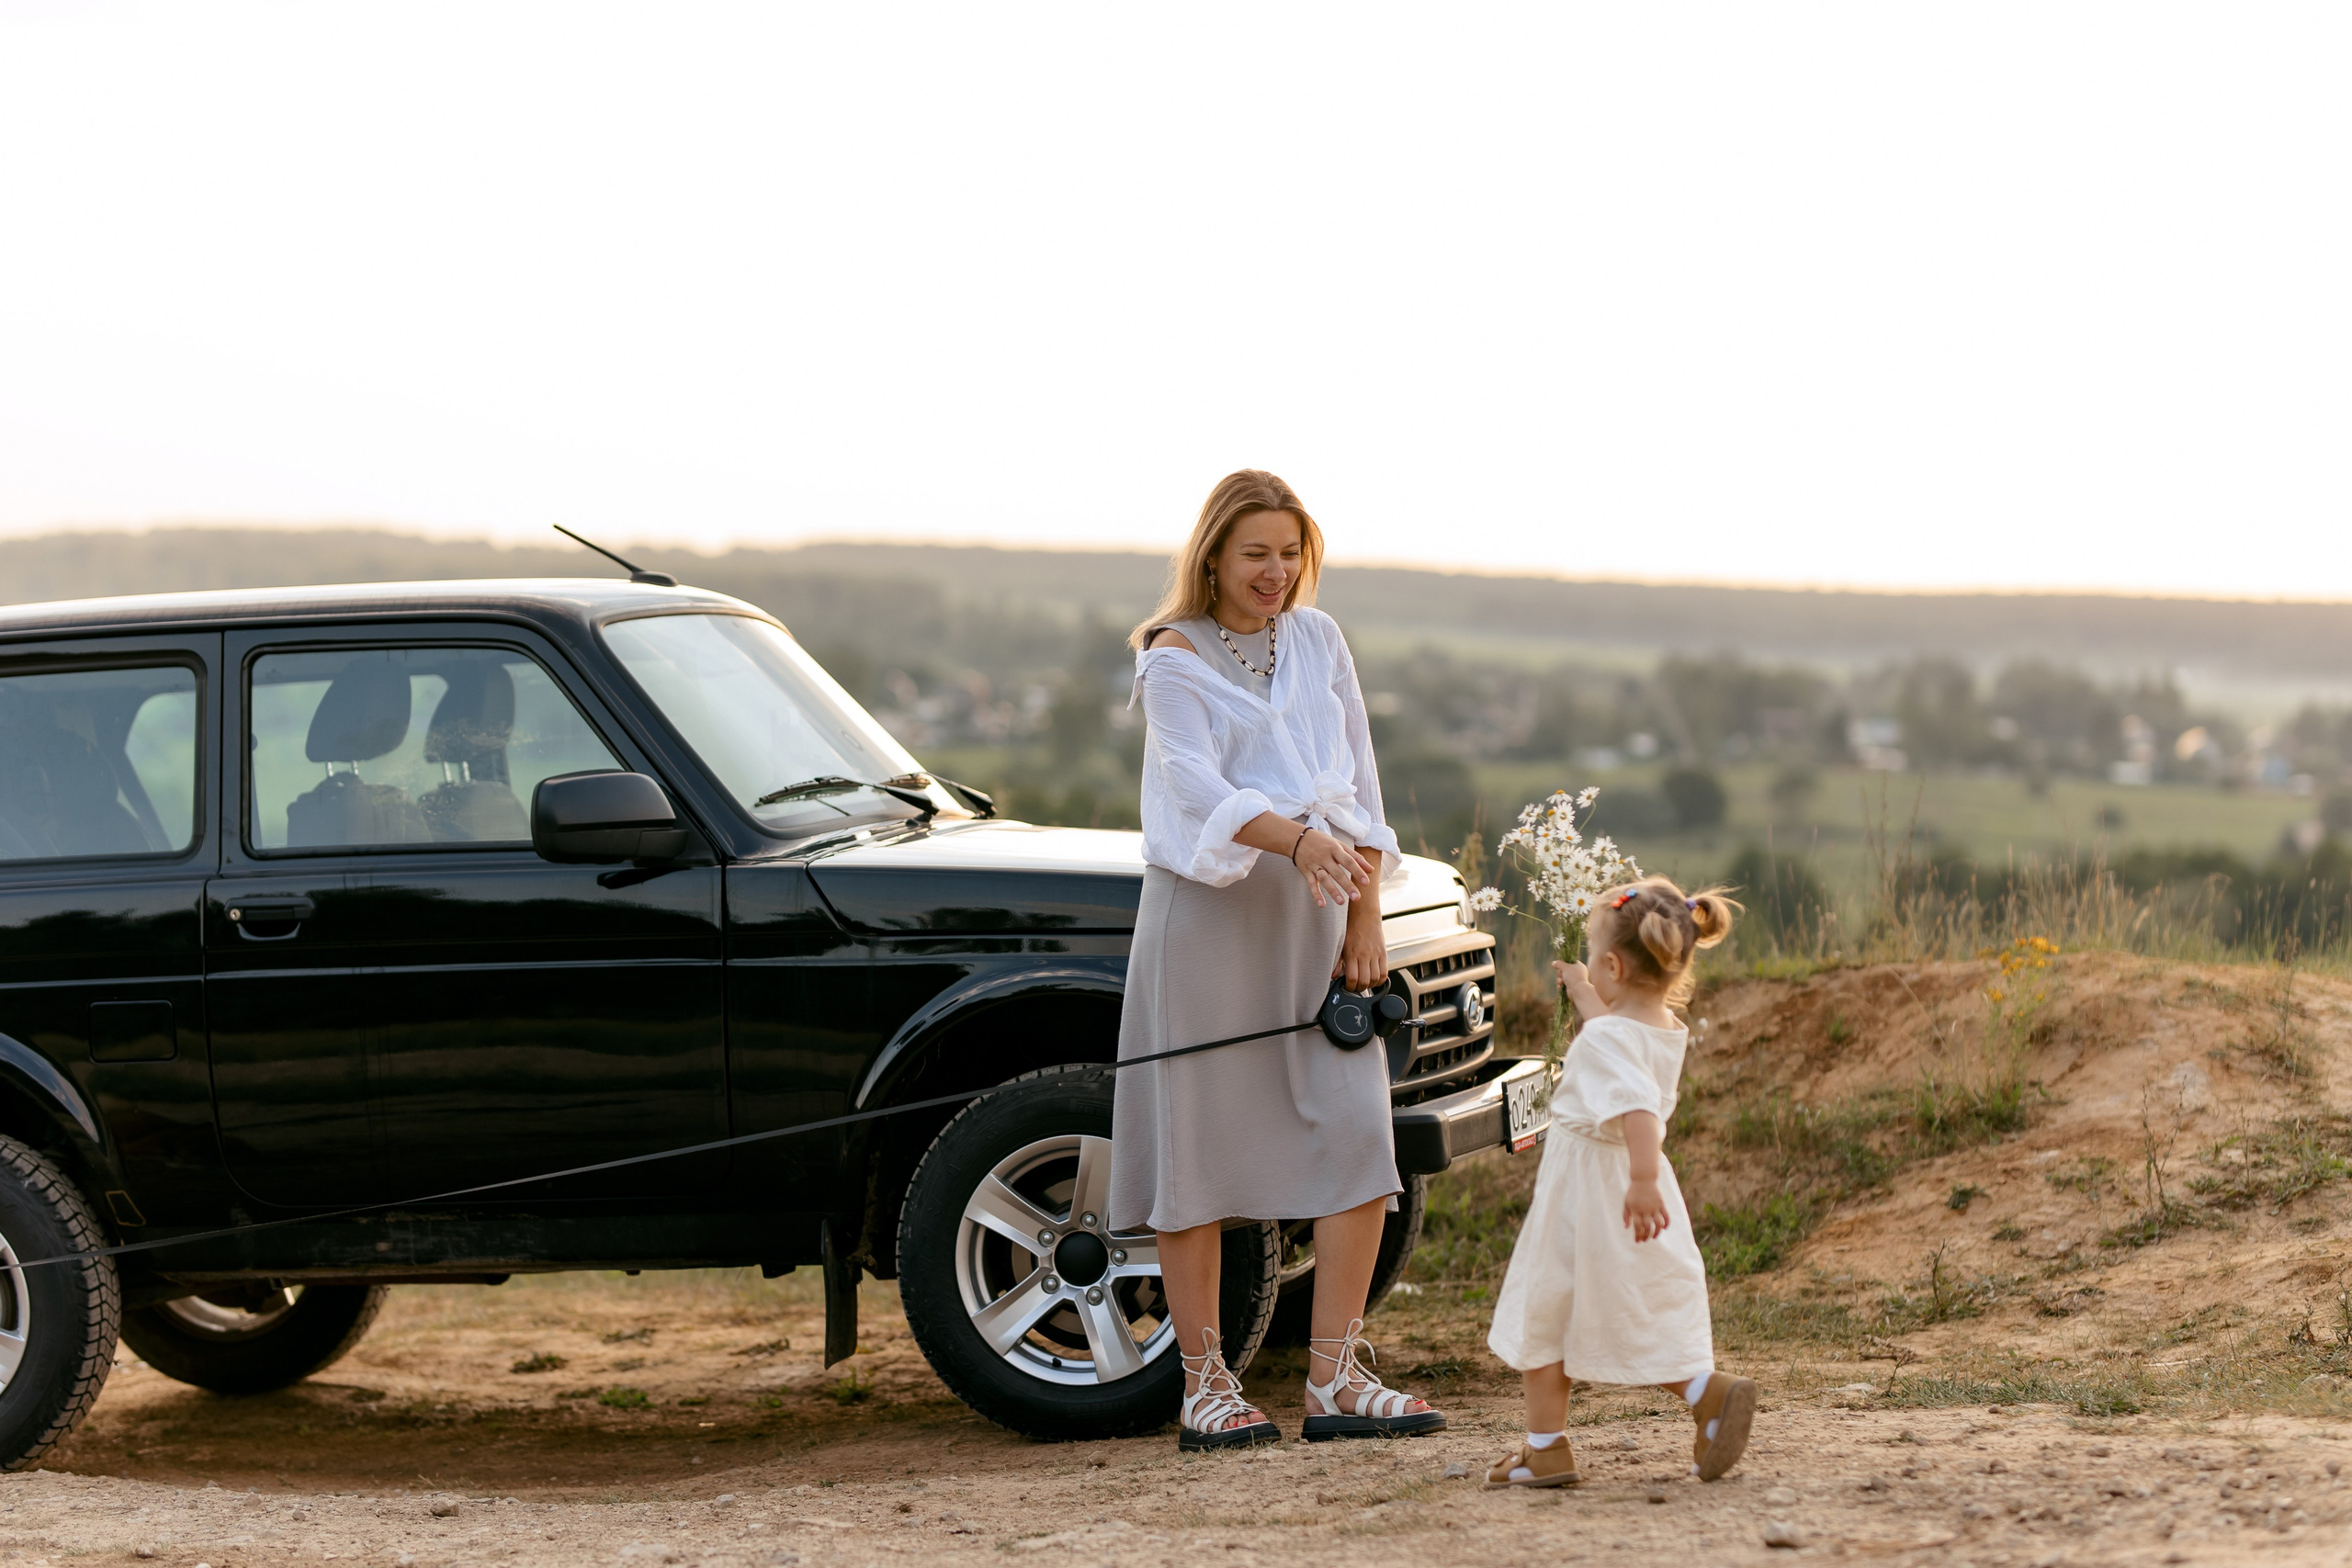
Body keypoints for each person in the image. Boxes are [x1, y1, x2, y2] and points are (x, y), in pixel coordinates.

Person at [1109, 468, 1445, 1452]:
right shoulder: (1170, 657)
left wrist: (1365, 915)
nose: (1275, 571)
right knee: (1199, 1151)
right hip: (1210, 922)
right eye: (1255, 552)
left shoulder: (1319, 638)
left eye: (1290, 552)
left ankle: (1336, 1379)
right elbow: (1194, 784)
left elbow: (1359, 787)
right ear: (1213, 554)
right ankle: (1205, 1386)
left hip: (1321, 911)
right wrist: (1297, 844)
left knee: (1359, 1137)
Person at [1482, 876, 1757, 1489]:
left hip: (1590, 1192)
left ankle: (1546, 1448)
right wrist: (1584, 989)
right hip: (1626, 1182)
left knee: (1545, 1309)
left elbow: (1635, 1102)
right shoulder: (1660, 1026)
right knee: (1628, 1307)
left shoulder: (1608, 1038)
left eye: (1594, 955)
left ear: (1614, 964)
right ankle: (1705, 1393)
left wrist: (1641, 1177)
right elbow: (1614, 1038)